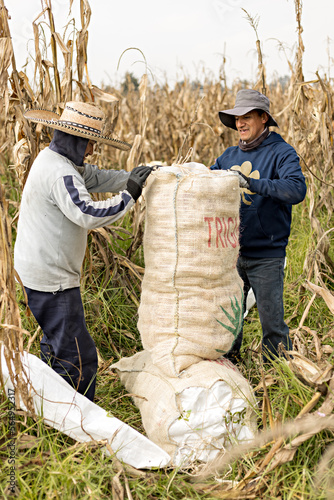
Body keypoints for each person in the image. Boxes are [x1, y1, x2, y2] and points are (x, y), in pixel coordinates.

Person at [14, 101, 153, 401]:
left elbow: (94, 177)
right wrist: (130, 195)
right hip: (52, 282)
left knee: (56, 346)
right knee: (79, 356)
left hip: (38, 274)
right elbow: (87, 214)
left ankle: (47, 404)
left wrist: (133, 177)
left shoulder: (55, 160)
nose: (91, 151)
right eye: (90, 143)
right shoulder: (59, 174)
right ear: (75, 139)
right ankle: (78, 419)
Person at [210, 89, 307, 363]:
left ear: (263, 118)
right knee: (230, 320)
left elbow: (296, 189)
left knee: (272, 323)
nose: (240, 123)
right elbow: (206, 184)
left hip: (267, 254)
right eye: (237, 118)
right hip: (232, 253)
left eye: (247, 117)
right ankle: (230, 366)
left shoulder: (282, 152)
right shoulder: (227, 157)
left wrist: (251, 182)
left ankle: (277, 374)